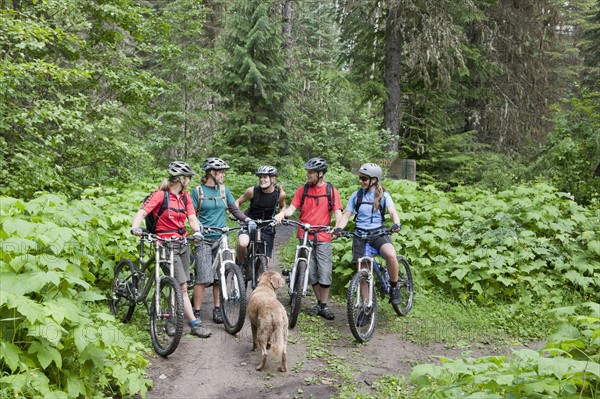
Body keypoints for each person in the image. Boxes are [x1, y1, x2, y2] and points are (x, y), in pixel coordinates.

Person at [130, 161, 211, 338]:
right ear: (181, 179)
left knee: (180, 285)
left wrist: (197, 232)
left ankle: (172, 318)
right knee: (181, 286)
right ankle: (193, 323)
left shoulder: (185, 197)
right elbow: (142, 212)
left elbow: (191, 218)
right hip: (164, 244)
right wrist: (135, 227)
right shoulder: (161, 195)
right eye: (188, 177)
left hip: (182, 243)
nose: (189, 181)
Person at [274, 157, 343, 320]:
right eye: (308, 172)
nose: (308, 175)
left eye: (311, 172)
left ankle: (323, 305)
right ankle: (320, 303)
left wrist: (338, 226)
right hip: (304, 235)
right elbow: (291, 209)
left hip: (323, 235)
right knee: (310, 272)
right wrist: (281, 214)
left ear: (320, 174)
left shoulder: (331, 190)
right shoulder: (302, 190)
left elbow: (338, 211)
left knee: (324, 271)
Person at [191, 157, 255, 325]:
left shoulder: (223, 190)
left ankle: (218, 309)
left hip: (221, 237)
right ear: (212, 173)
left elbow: (234, 210)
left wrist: (247, 220)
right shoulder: (198, 191)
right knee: (204, 277)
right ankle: (196, 311)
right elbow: (190, 214)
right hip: (204, 239)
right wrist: (197, 228)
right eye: (221, 172)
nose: (223, 175)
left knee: (220, 275)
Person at [333, 163, 402, 305]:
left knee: (390, 255)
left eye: (364, 178)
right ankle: (366, 305)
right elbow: (346, 215)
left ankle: (395, 287)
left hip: (378, 234)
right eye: (360, 178)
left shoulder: (384, 195)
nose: (361, 181)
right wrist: (338, 228)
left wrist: (396, 223)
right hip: (360, 236)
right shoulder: (356, 195)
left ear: (374, 180)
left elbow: (392, 211)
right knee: (363, 272)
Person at [235, 165, 287, 265]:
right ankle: (240, 266)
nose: (262, 180)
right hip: (249, 223)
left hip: (267, 226)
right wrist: (238, 215)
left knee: (265, 260)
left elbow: (282, 207)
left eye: (265, 177)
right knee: (242, 244)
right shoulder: (252, 191)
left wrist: (281, 214)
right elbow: (238, 202)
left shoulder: (280, 194)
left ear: (273, 178)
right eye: (260, 177)